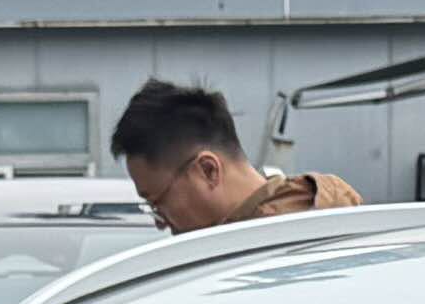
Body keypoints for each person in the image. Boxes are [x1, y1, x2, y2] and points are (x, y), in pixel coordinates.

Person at [114, 79, 366, 237]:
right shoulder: (333, 219)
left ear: (208, 170)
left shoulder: (267, 250)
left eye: (158, 202)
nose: (160, 223)